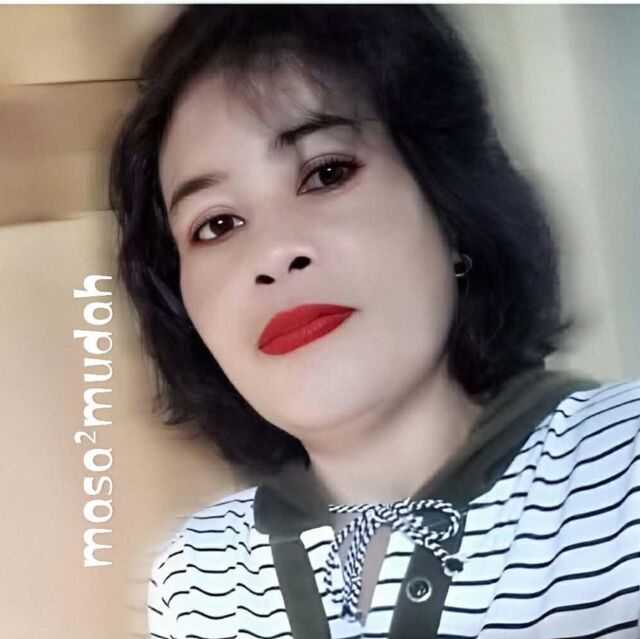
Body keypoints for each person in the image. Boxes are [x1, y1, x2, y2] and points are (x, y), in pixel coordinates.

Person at [109, 6, 640, 638]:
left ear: (448, 203)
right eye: (217, 224)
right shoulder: (197, 578)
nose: (273, 254)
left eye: (326, 173)